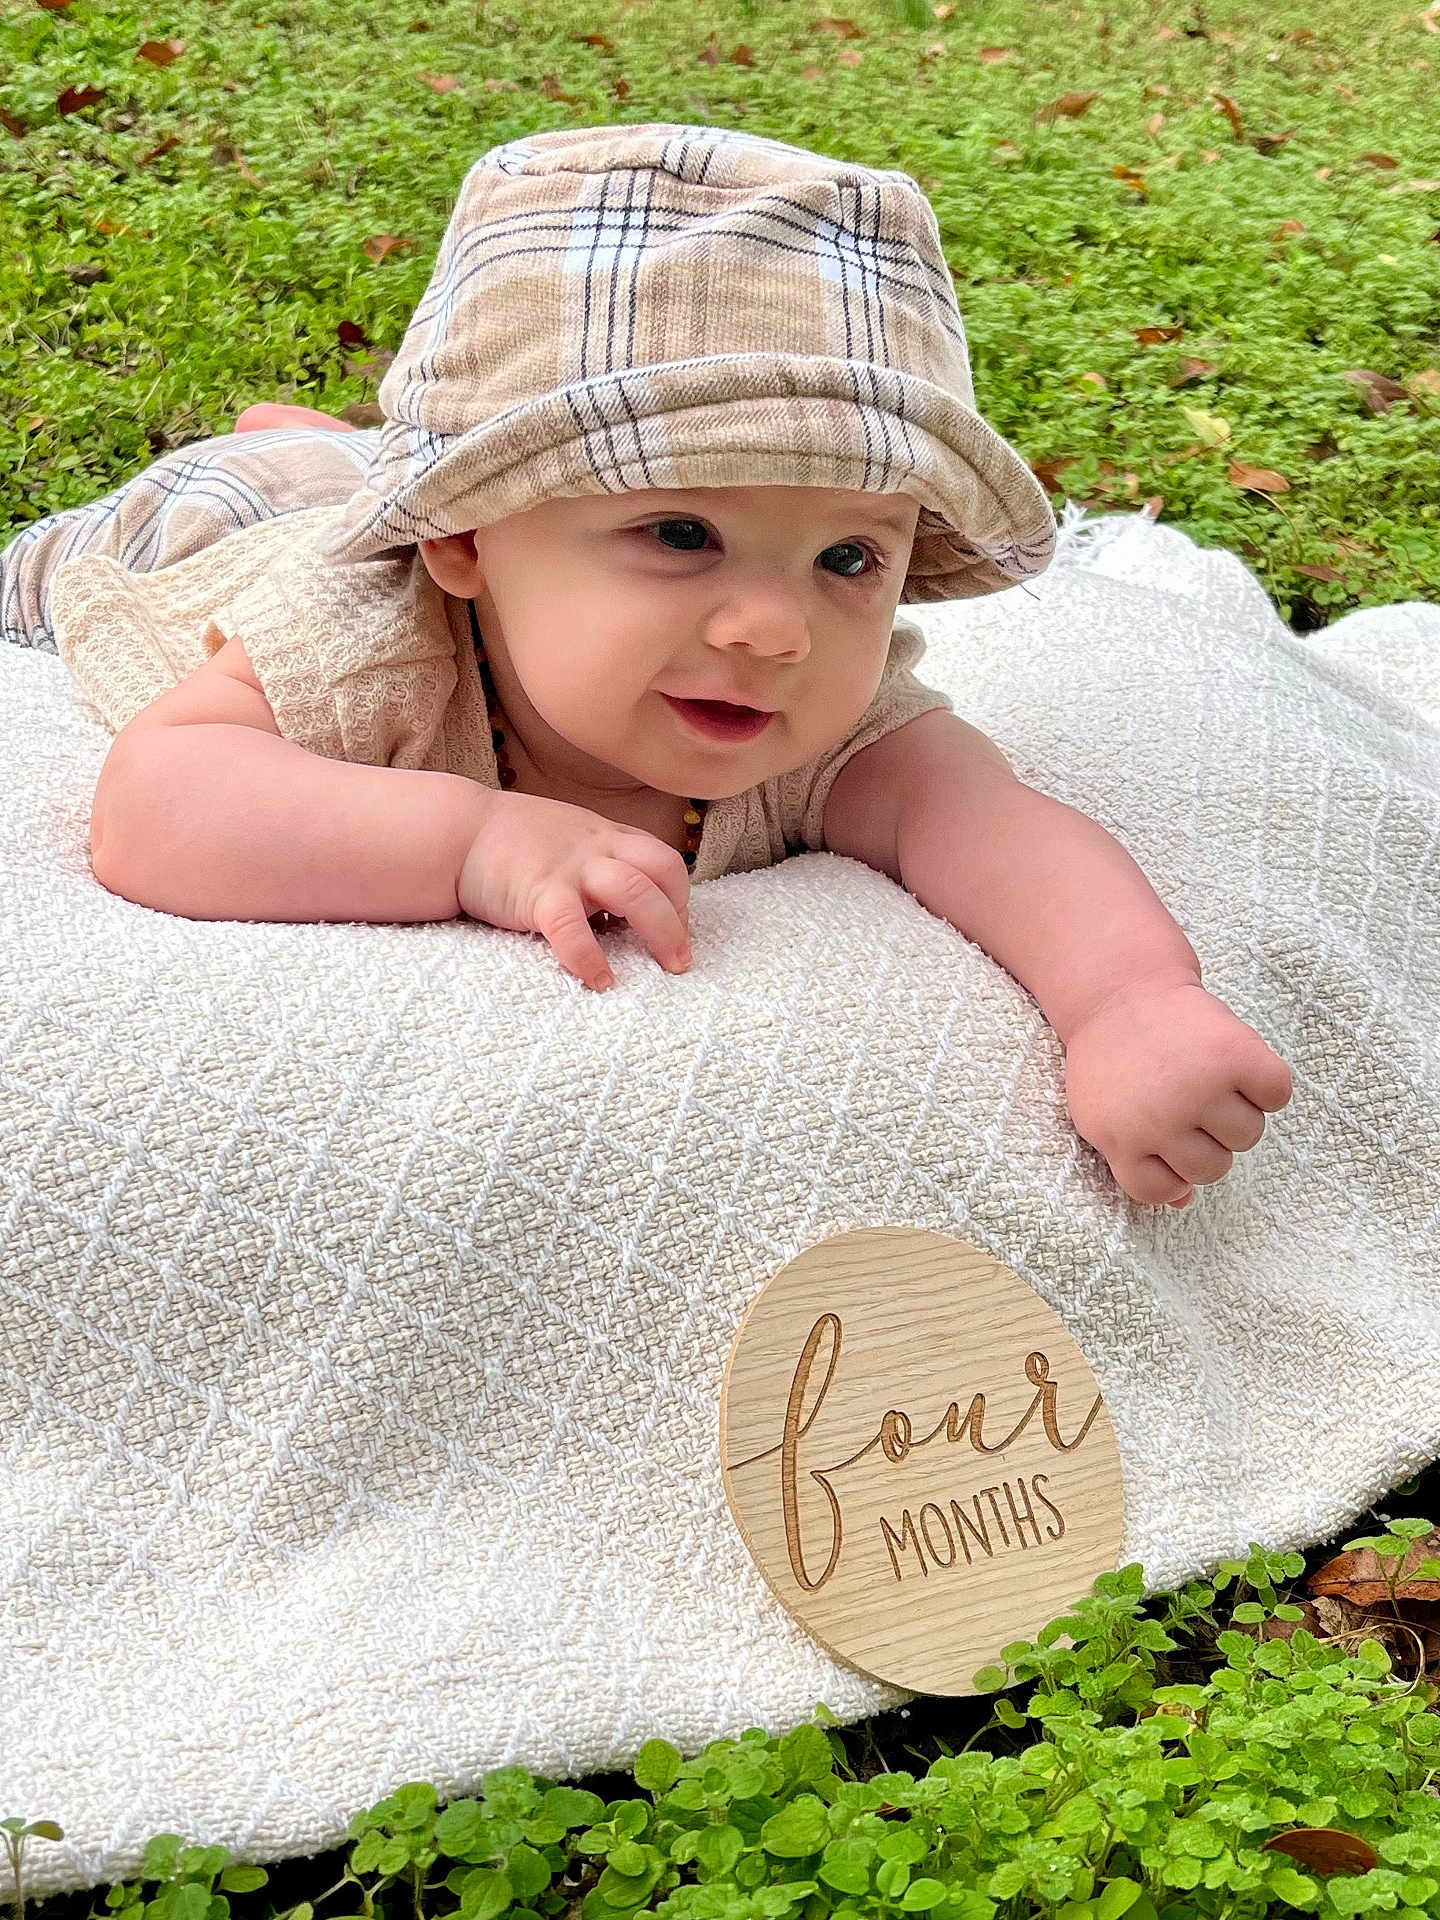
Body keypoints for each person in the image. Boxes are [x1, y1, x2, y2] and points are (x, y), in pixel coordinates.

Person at [0, 120, 1292, 1210]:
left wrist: (1127, 1001)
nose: (775, 631)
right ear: (461, 543)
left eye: (848, 559)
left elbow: (999, 828)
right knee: (142, 534)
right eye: (682, 534)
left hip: (460, 514)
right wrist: (475, 844)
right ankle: (341, 455)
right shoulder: (369, 644)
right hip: (228, 526)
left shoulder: (837, 721)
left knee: (391, 479)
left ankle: (377, 449)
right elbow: (155, 804)